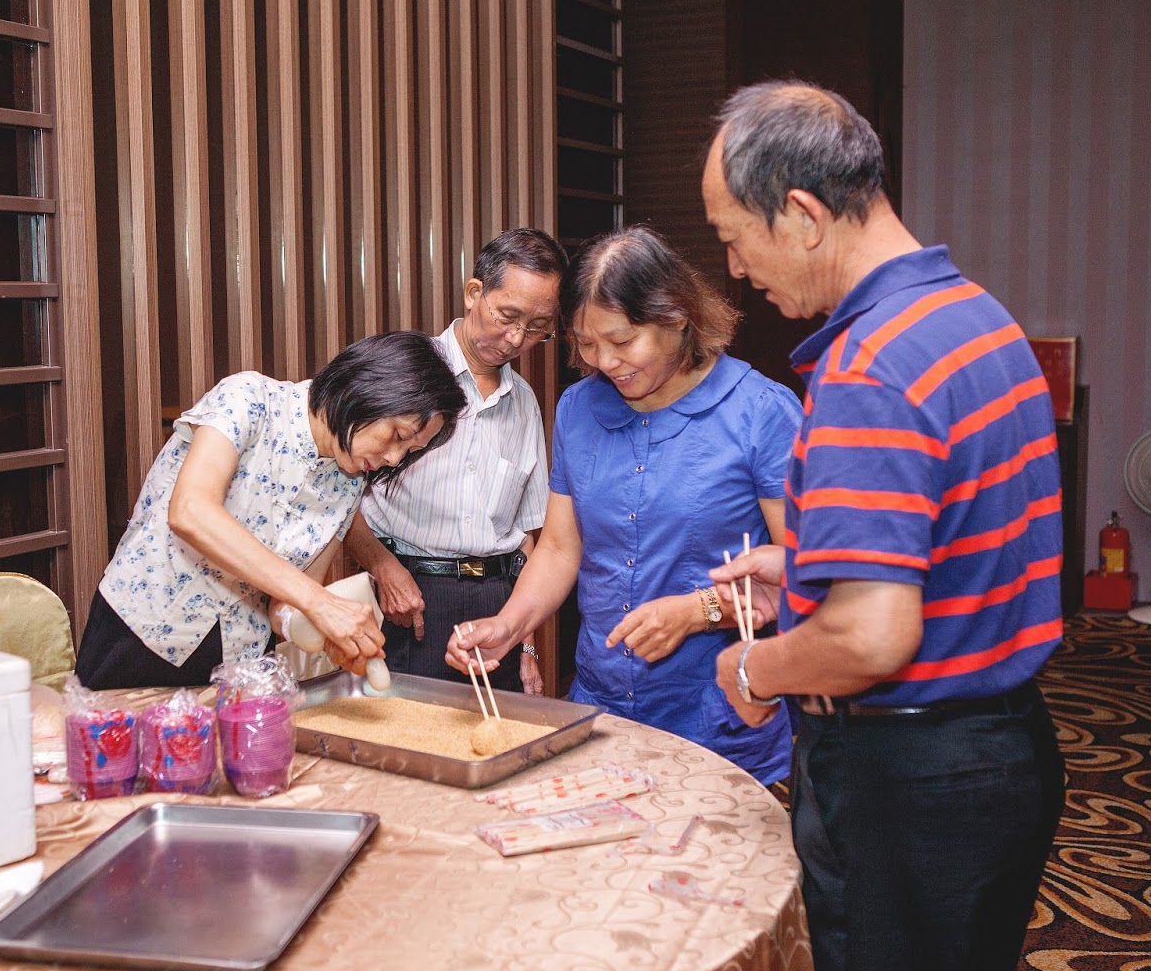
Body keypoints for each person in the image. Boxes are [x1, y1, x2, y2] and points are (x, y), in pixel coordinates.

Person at [701, 81, 1065, 971]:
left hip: (907, 779)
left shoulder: (869, 365)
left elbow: (870, 637)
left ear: (802, 215)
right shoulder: (975, 316)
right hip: (1001, 751)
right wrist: (806, 566)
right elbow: (962, 534)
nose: (735, 270)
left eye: (734, 239)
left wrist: (754, 670)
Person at [446, 225, 802, 786]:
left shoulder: (760, 412)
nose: (605, 362)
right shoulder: (579, 408)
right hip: (603, 704)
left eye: (622, 341)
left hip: (719, 713)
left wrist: (699, 611)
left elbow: (810, 571)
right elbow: (560, 548)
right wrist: (509, 626)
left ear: (676, 318)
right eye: (587, 344)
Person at [76, 331, 467, 689]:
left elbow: (284, 607)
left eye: (409, 451)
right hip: (142, 633)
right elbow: (190, 511)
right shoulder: (250, 400)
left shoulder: (347, 485)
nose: (393, 458)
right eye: (397, 435)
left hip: (239, 661)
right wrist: (320, 603)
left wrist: (324, 633)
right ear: (367, 388)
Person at [343, 228, 565, 694]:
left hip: (498, 605)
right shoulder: (405, 372)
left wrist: (525, 643)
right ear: (473, 292)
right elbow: (339, 496)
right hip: (410, 599)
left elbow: (527, 537)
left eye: (537, 327)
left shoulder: (524, 402)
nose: (515, 338)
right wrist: (382, 566)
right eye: (508, 316)